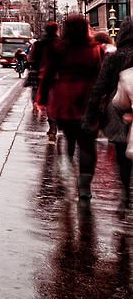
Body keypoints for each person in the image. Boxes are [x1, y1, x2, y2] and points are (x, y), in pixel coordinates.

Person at [36, 14, 103, 202]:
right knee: (88, 144)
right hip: (88, 100)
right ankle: (84, 186)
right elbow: (100, 75)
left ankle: (66, 161)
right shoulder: (95, 49)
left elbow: (47, 74)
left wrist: (41, 99)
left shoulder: (58, 48)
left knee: (69, 136)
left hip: (64, 99)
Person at [83, 18, 133, 212]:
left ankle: (126, 196)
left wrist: (90, 116)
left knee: (123, 156)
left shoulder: (114, 57)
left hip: (118, 112)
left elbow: (99, 88)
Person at [27, 22, 59, 135]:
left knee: (45, 98)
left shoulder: (39, 44)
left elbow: (30, 58)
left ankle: (52, 125)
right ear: (57, 30)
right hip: (58, 77)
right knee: (56, 101)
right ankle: (56, 123)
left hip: (41, 74)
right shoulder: (61, 43)